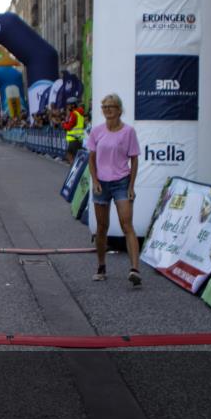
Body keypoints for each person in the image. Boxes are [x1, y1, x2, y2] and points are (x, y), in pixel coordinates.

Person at [86, 93, 142, 286]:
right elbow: (91, 159)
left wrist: (132, 185)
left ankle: (135, 269)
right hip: (101, 183)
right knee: (102, 228)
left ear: (119, 110)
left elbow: (134, 159)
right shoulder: (97, 131)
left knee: (127, 225)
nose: (107, 110)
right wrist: (94, 180)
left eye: (111, 106)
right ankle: (101, 266)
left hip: (121, 182)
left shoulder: (128, 132)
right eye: (104, 107)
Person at [62, 96, 86, 162]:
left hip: (74, 139)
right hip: (78, 138)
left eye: (69, 105)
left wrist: (63, 124)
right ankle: (73, 168)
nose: (68, 107)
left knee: (73, 156)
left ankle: (75, 169)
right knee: (70, 154)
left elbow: (69, 127)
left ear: (73, 105)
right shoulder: (79, 113)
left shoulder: (74, 114)